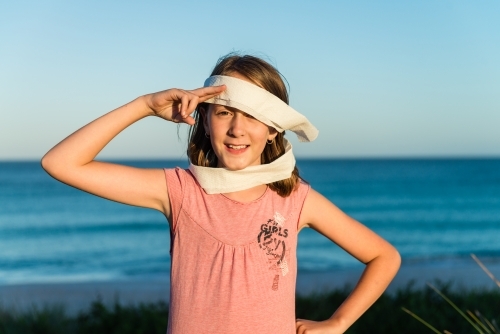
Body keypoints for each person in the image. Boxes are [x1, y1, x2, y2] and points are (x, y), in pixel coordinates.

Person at [42, 53, 401, 334]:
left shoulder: (296, 201)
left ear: (275, 129)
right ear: (204, 119)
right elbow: (61, 163)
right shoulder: (180, 191)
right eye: (224, 112)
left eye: (253, 116)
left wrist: (337, 323)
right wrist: (145, 106)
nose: (236, 129)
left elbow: (384, 257)